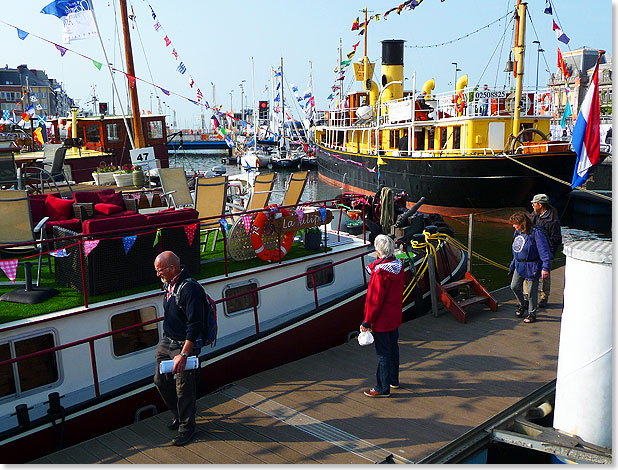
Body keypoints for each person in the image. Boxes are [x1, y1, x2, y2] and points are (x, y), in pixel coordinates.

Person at [153, 251, 205, 446]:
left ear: (173, 268)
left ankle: (186, 428)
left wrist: (184, 354)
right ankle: (179, 414)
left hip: (184, 344)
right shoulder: (169, 283)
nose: (158, 275)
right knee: (160, 380)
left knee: (184, 388)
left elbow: (195, 325)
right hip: (168, 341)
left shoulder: (190, 289)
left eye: (160, 270)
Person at [360, 235, 404, 397]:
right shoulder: (399, 266)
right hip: (394, 315)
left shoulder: (379, 273)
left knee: (383, 353)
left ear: (378, 253)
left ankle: (382, 387)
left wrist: (367, 321)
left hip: (382, 319)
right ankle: (393, 380)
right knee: (393, 348)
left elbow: (374, 300)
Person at [508, 211, 551, 324]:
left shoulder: (536, 233)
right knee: (514, 286)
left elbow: (544, 251)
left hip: (532, 266)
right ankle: (523, 303)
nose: (513, 226)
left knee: (532, 291)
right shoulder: (517, 233)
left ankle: (532, 313)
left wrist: (545, 267)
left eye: (515, 224)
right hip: (519, 264)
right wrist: (513, 263)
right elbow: (516, 248)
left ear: (522, 223)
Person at [527, 194, 562, 307]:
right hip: (533, 250)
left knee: (545, 274)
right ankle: (527, 294)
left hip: (546, 250)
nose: (532, 205)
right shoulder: (534, 216)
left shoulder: (553, 221)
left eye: (534, 203)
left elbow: (556, 239)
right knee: (528, 270)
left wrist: (549, 253)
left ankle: (544, 296)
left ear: (540, 205)